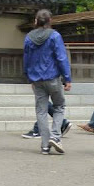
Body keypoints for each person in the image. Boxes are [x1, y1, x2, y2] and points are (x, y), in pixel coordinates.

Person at [23, 9, 72, 155]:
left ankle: (45, 145)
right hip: (53, 77)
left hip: (37, 79)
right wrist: (67, 78)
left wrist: (28, 76)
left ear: (36, 21)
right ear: (50, 21)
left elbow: (26, 59)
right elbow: (61, 58)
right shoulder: (55, 36)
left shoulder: (28, 37)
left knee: (41, 111)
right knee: (59, 106)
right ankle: (55, 137)